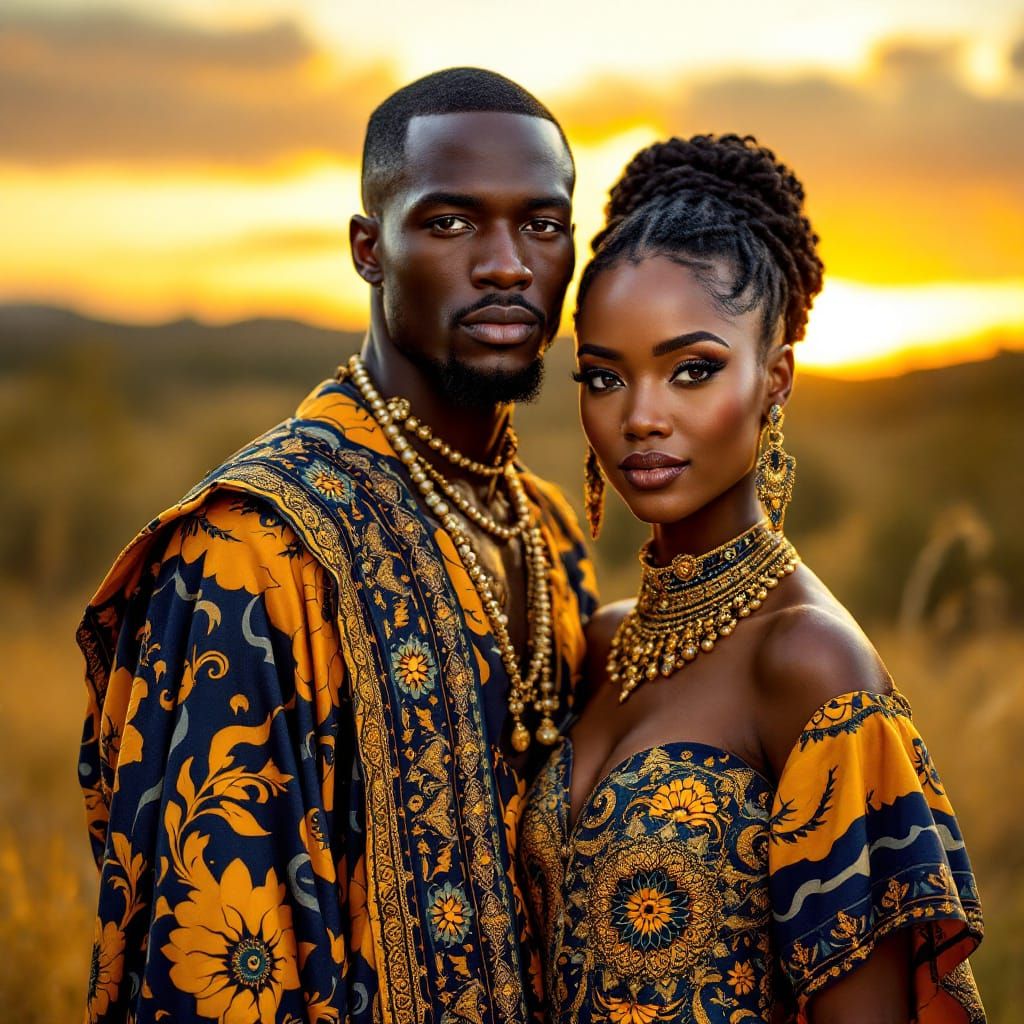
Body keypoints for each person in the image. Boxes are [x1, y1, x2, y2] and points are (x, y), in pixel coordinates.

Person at [78, 68, 598, 1024]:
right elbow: (215, 963)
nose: (507, 265)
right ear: (370, 248)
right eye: (450, 223)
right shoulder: (254, 548)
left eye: (543, 223)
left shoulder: (551, 533)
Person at [519, 135, 984, 1023]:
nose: (641, 417)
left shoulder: (809, 664)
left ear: (775, 379)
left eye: (692, 369)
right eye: (605, 377)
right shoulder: (606, 642)